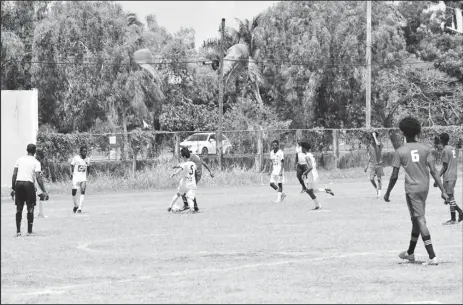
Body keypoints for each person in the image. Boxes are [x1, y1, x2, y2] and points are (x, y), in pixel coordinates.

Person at [384, 116, 448, 266]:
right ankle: (410, 253)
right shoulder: (426, 149)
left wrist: (387, 193)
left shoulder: (400, 151)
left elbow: (394, 176)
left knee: (420, 220)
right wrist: (443, 191)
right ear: (417, 132)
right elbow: (434, 171)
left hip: (412, 189)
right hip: (424, 188)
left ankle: (432, 256)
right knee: (415, 220)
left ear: (403, 133)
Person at [11, 144, 49, 237]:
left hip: (19, 184)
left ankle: (18, 232)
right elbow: (38, 177)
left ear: (26, 150)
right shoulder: (36, 162)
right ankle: (29, 231)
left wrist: (13, 188)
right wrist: (44, 190)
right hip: (28, 185)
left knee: (19, 208)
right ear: (35, 151)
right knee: (30, 208)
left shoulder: (19, 160)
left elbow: (14, 174)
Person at [435, 133, 462, 225]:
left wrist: (437, 178)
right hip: (453, 174)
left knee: (449, 197)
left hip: (448, 176)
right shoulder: (452, 148)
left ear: (441, 140)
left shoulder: (445, 150)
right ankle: (460, 212)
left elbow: (445, 166)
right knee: (445, 196)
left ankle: (453, 219)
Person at [300, 142, 334, 210]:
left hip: (311, 175)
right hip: (314, 174)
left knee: (309, 191)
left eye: (301, 148)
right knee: (313, 190)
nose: (301, 149)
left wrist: (304, 173)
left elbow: (310, 167)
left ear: (304, 148)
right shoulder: (311, 155)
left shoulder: (307, 156)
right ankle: (326, 190)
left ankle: (318, 205)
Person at [181, 148, 214, 212]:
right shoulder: (193, 156)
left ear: (184, 155)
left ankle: (187, 205)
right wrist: (210, 171)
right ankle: (194, 207)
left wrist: (210, 171)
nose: (182, 157)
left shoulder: (189, 159)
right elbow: (203, 162)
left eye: (182, 156)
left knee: (188, 189)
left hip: (196, 175)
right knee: (189, 189)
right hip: (196, 174)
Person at [168, 148, 197, 213]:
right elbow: (194, 170)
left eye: (182, 156)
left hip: (184, 182)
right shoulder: (193, 163)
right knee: (189, 197)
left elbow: (181, 168)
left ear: (184, 156)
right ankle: (192, 209)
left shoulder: (184, 164)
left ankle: (170, 207)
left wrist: (174, 173)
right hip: (192, 182)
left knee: (178, 194)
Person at [70, 146, 90, 214]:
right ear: (81, 152)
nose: (85, 152)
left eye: (86, 151)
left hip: (83, 178)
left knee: (83, 190)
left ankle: (80, 208)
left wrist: (87, 175)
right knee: (74, 192)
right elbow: (71, 165)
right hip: (75, 177)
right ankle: (75, 205)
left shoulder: (87, 159)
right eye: (84, 151)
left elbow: (88, 167)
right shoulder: (76, 158)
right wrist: (71, 173)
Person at [364, 131, 384, 197]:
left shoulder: (380, 144)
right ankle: (376, 189)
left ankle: (379, 194)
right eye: (372, 138)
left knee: (379, 179)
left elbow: (377, 143)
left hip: (379, 164)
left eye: (373, 137)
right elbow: (369, 156)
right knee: (371, 179)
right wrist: (366, 165)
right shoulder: (370, 146)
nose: (372, 139)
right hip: (372, 165)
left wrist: (374, 136)